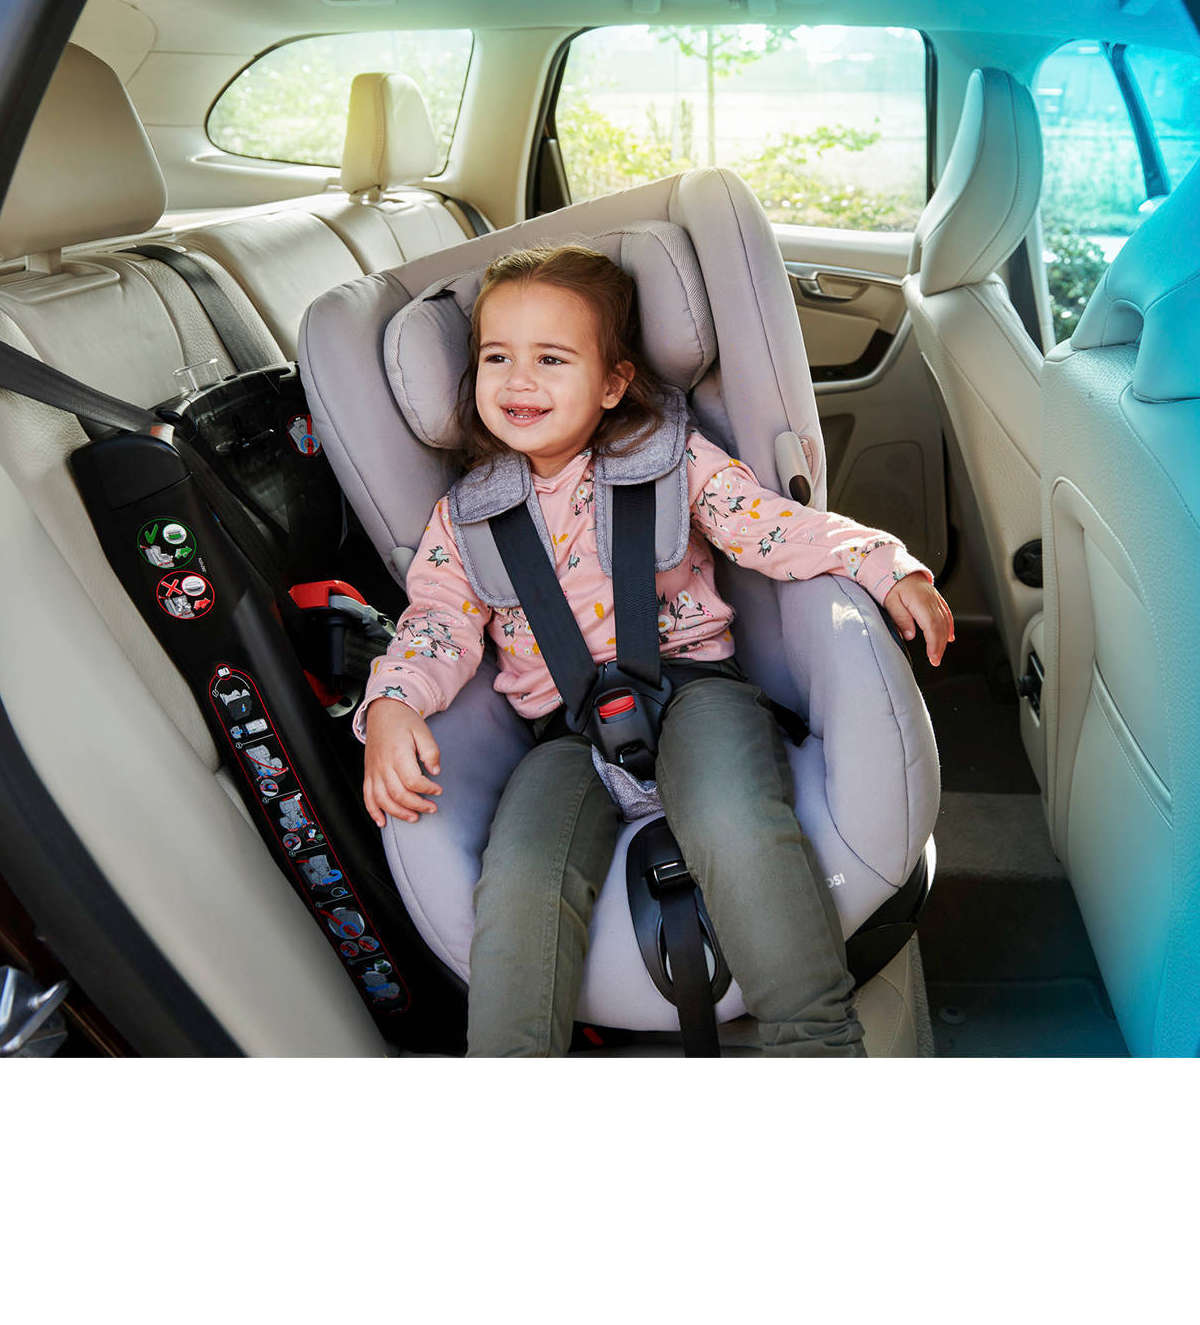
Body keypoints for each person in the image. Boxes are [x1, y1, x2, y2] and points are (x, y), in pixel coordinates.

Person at [356, 243, 953, 1056]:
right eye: (497, 357)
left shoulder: (671, 460)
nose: (519, 380)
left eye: (551, 359)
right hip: (565, 734)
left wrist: (883, 563)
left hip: (697, 690)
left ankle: (815, 1042)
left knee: (733, 819)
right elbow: (435, 623)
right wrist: (394, 703)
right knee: (522, 875)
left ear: (612, 383)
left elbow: (774, 527)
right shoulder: (465, 518)